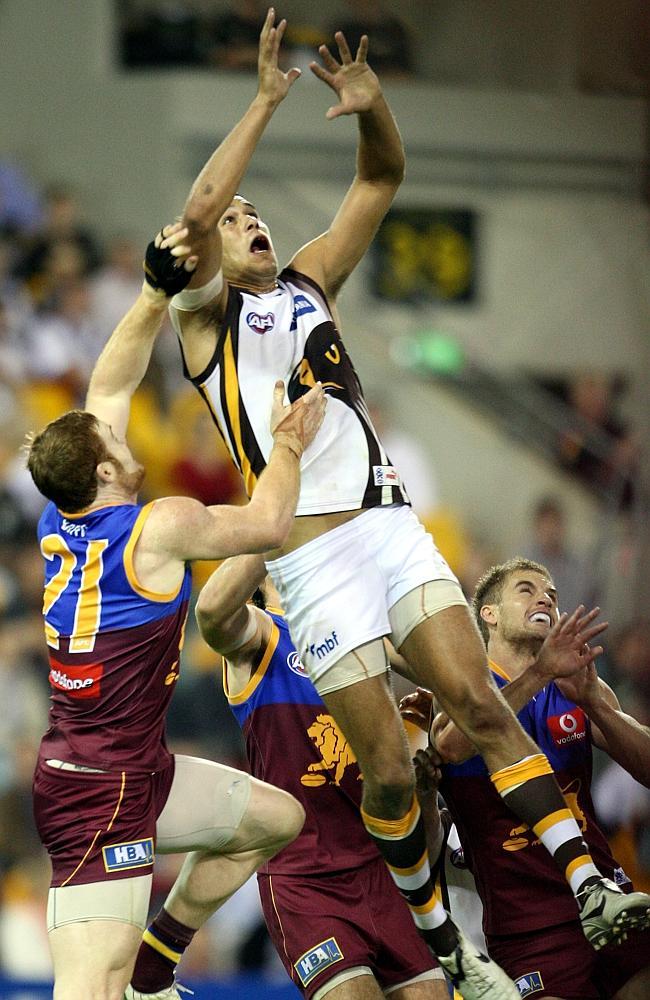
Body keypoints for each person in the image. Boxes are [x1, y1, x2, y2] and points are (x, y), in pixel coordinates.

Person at [166, 10, 650, 996]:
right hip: (309, 564)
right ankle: (449, 943)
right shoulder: (202, 323)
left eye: (257, 211)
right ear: (211, 249)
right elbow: (198, 199)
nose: (248, 217)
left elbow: (379, 179)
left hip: (390, 529)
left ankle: (589, 878)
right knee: (389, 775)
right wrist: (262, 102)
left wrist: (374, 111)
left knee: (475, 700)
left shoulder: (310, 281)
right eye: (234, 218)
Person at [25, 223, 327, 1000]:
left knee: (275, 820)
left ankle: (160, 961)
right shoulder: (157, 526)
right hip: (99, 795)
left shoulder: (64, 515)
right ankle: (134, 977)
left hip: (133, 770)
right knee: (88, 991)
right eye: (111, 441)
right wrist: (288, 448)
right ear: (103, 468)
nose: (122, 429)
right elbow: (266, 525)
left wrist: (155, 292)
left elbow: (108, 388)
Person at [133, 550, 448, 999]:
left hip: (385, 871)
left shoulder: (359, 639)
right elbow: (211, 611)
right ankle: (152, 965)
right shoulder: (259, 637)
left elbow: (452, 675)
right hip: (307, 878)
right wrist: (273, 531)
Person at [402, 558, 650, 999]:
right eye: (526, 589)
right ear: (489, 614)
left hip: (610, 904)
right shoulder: (460, 693)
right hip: (529, 930)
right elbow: (457, 744)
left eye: (552, 594)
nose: (545, 599)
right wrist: (539, 674)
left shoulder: (576, 687)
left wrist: (596, 703)